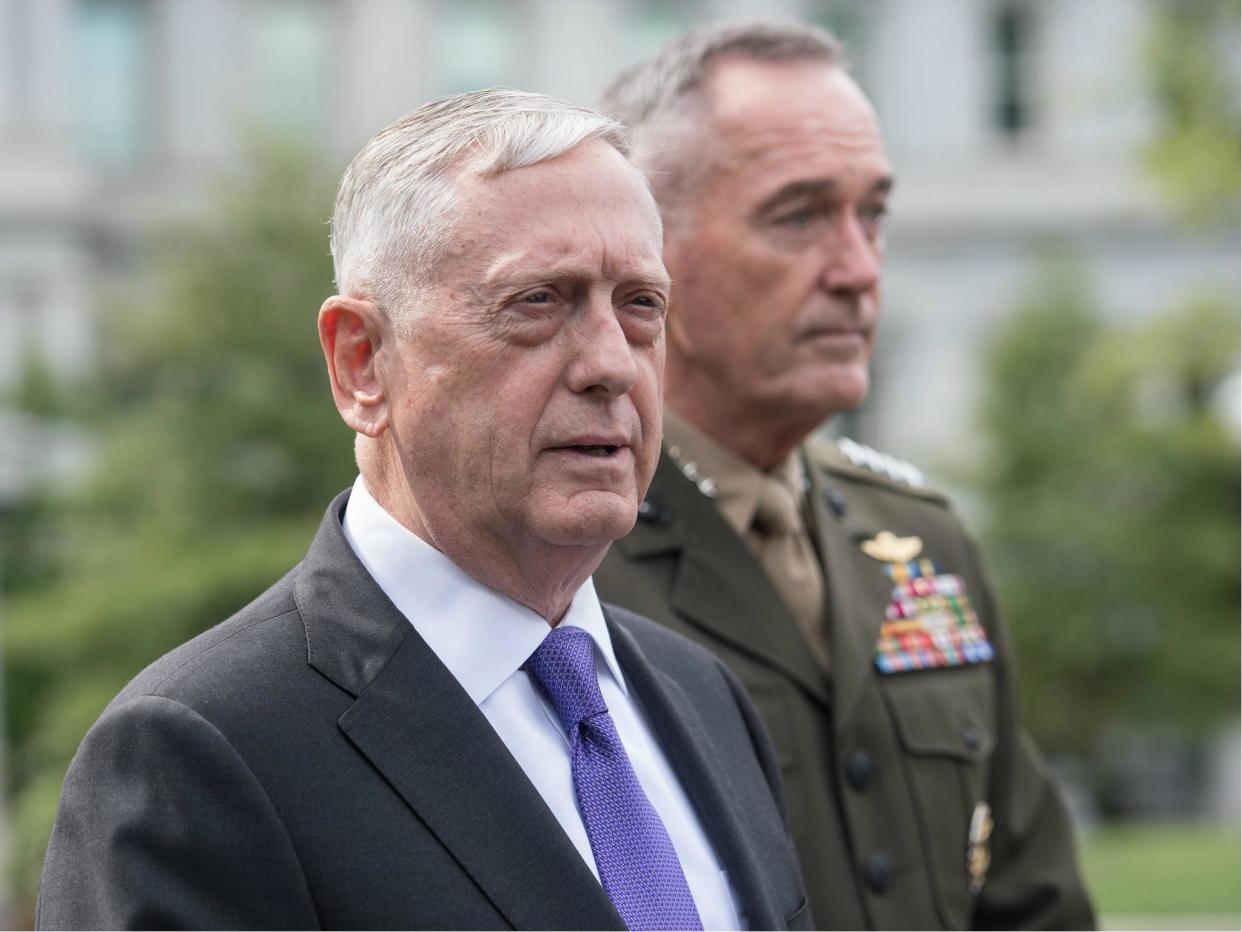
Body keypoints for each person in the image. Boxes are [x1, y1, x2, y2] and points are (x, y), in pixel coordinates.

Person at [36, 89, 812, 931]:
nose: (611, 365)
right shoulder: (196, 755)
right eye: (538, 302)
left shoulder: (704, 698)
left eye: (640, 306)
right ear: (361, 362)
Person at [594, 20, 1095, 931]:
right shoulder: (567, 561)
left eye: (873, 215)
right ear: (648, 251)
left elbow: (1033, 901)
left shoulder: (920, 540)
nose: (861, 270)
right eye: (799, 215)